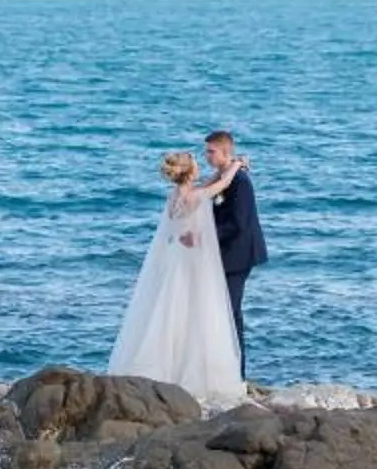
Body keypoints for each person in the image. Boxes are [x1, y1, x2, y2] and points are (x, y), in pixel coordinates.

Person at [106, 148, 248, 407]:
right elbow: (223, 184)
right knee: (194, 317)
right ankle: (191, 376)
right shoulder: (195, 197)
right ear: (189, 171)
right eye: (195, 163)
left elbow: (207, 187)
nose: (199, 166)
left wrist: (224, 170)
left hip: (175, 263)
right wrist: (237, 164)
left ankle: (166, 369)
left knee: (170, 316)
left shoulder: (175, 196)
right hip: (190, 266)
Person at [204, 128, 266, 379]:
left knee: (231, 311)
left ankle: (237, 374)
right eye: (206, 151)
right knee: (224, 311)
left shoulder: (239, 181)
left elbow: (238, 223)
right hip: (224, 254)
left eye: (211, 151)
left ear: (225, 152)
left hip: (238, 255)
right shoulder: (223, 177)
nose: (207, 156)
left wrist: (205, 236)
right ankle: (225, 367)